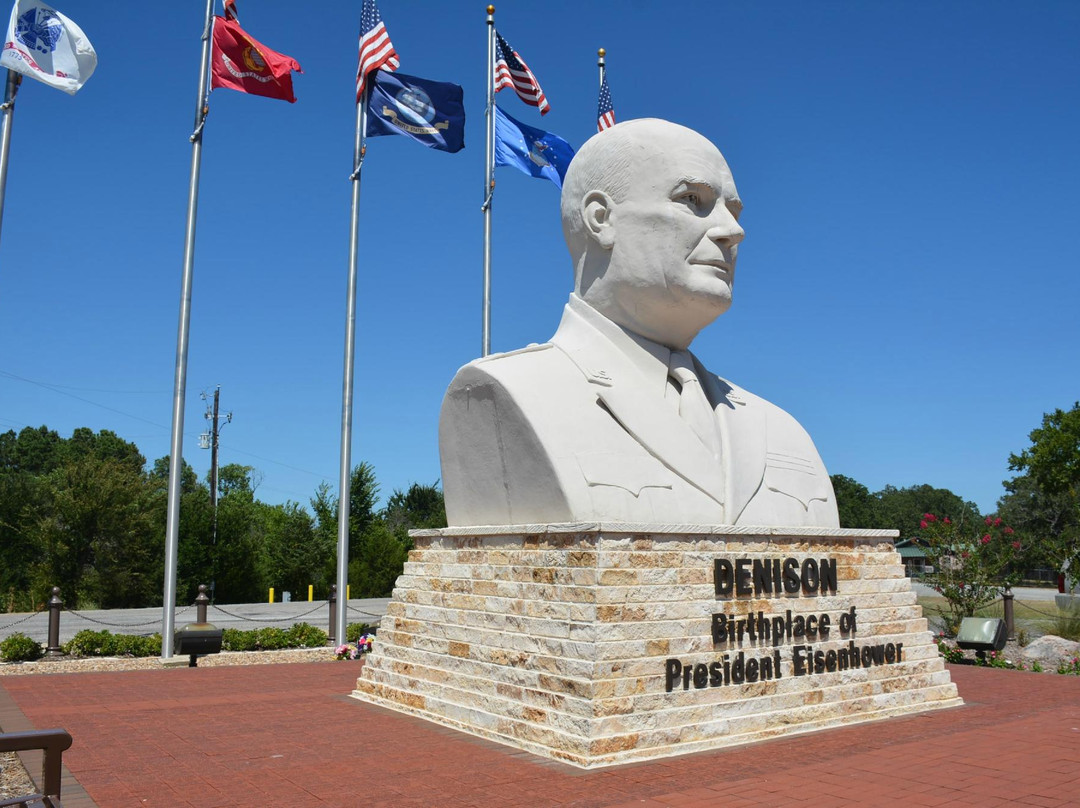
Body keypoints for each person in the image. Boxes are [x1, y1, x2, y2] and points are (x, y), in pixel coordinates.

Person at [439, 119, 839, 528]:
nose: (733, 231)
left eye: (732, 211)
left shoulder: (781, 429)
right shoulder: (498, 392)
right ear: (601, 219)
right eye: (692, 200)